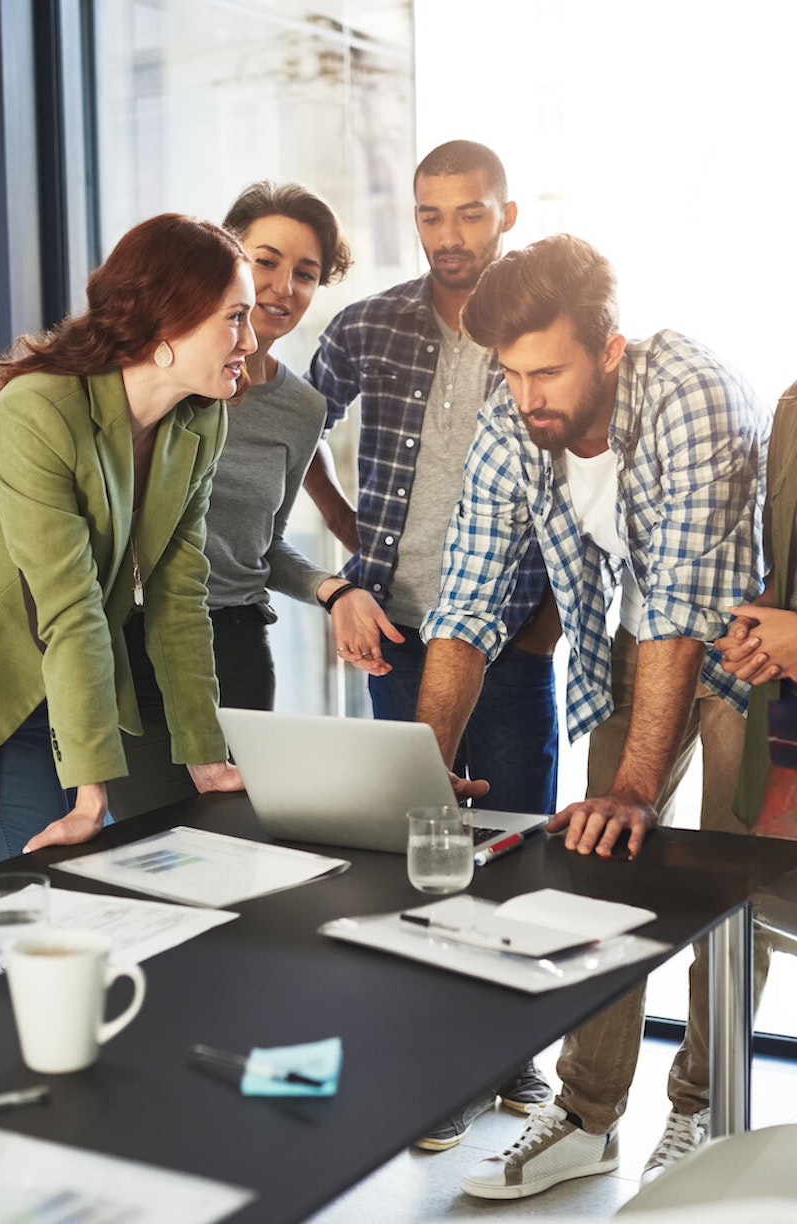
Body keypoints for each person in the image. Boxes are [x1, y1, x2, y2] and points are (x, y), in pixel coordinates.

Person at [414, 233, 768, 1198]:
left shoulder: (693, 389)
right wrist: (421, 761)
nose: (528, 395)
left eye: (548, 370)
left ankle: (701, 1108)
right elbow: (468, 599)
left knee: (721, 885)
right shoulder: (512, 416)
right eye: (512, 372)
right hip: (641, 636)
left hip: (745, 645)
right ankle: (586, 1118)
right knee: (603, 858)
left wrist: (634, 788)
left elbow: (685, 607)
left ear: (610, 351)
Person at [0, 214, 253, 889]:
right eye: (234, 318)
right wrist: (93, 796)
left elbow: (179, 600)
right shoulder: (40, 412)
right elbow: (71, 608)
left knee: (49, 898)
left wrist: (205, 756)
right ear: (168, 326)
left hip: (39, 696)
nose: (252, 339)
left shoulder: (199, 423)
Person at [307, 140, 559, 1136]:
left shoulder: (539, 326)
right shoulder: (369, 324)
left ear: (506, 212)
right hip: (402, 630)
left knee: (516, 845)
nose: (449, 235)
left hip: (513, 634)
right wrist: (346, 534)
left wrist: (543, 625)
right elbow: (285, 428)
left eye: (469, 212)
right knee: (421, 845)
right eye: (429, 214)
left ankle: (512, 1059)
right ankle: (435, 1070)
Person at [107, 181, 395, 819]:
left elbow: (257, 547)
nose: (283, 287)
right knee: (154, 852)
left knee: (236, 850)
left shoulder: (301, 411)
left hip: (237, 650)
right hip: (136, 646)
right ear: (228, 258)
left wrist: (334, 590)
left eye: (306, 273)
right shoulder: (166, 373)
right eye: (266, 261)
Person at [720, 379, 797, 840]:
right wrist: (754, 629)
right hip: (784, 740)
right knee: (767, 900)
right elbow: (784, 572)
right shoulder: (792, 404)